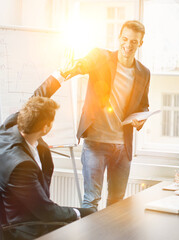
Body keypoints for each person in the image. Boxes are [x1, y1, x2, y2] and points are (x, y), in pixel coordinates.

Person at [35, 20, 150, 209]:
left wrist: (141, 119)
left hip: (123, 147)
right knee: (91, 200)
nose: (128, 45)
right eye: (125, 39)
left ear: (140, 44)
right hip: (96, 143)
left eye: (134, 42)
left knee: (117, 203)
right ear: (119, 38)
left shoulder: (144, 72)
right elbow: (82, 65)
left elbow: (144, 105)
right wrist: (70, 67)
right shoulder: (100, 57)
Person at [0, 96, 94, 240]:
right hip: (23, 227)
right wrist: (79, 213)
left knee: (88, 213)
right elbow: (46, 211)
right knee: (87, 219)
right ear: (46, 128)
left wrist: (59, 77)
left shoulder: (10, 125)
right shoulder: (21, 165)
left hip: (32, 211)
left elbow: (35, 106)